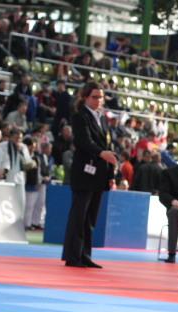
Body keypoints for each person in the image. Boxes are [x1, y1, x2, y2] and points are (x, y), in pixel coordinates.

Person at [62, 81, 117, 269]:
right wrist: (102, 153)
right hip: (84, 173)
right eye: (94, 97)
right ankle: (73, 256)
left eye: (101, 97)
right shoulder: (80, 117)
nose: (98, 100)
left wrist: (111, 175)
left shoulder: (102, 118)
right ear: (85, 98)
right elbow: (83, 142)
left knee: (90, 218)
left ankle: (85, 255)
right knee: (79, 216)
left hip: (99, 174)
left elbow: (108, 146)